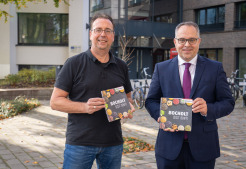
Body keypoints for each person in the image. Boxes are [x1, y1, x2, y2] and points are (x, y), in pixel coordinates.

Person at [145, 21, 235, 169]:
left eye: (192, 40)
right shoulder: (162, 69)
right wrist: (160, 116)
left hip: (204, 147)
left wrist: (208, 109)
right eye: (182, 40)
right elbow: (151, 101)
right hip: (169, 146)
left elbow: (228, 102)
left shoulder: (215, 68)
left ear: (198, 41)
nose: (187, 44)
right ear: (175, 42)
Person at [50, 13, 135, 169]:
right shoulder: (74, 63)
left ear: (113, 36)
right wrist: (84, 107)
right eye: (98, 30)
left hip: (113, 143)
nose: (103, 34)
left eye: (108, 30)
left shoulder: (121, 66)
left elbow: (128, 99)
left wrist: (128, 107)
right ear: (91, 34)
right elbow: (55, 102)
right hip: (80, 143)